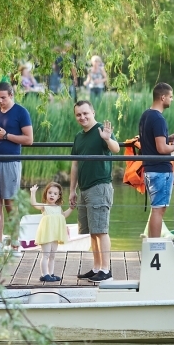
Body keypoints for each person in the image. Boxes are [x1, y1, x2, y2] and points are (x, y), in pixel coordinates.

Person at [69, 100, 119, 282]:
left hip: (100, 186)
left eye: (85, 113)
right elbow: (75, 164)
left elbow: (116, 148)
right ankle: (97, 266)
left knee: (101, 230)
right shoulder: (78, 137)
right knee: (92, 231)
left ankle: (106, 270)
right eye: (78, 114)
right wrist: (72, 190)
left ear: (93, 112)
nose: (82, 117)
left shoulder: (101, 131)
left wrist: (107, 138)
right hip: (84, 188)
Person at [0, 81, 34, 256]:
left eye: (3, 97)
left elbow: (29, 140)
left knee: (11, 204)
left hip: (11, 163)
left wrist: (7, 136)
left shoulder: (21, 112)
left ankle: (14, 246)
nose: (0, 101)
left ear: (11, 95)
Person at [138, 83, 174, 238]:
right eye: (170, 96)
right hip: (160, 170)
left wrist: (167, 138)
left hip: (149, 169)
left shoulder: (146, 115)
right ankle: (154, 247)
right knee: (158, 210)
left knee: (155, 208)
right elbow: (162, 149)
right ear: (163, 97)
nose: (172, 99)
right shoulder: (159, 119)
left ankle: (152, 245)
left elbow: (151, 141)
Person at [30, 182, 73, 282]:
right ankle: (44, 274)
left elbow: (64, 215)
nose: (52, 195)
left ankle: (51, 273)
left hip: (55, 235)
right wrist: (33, 193)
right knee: (46, 254)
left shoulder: (58, 208)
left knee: (52, 255)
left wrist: (71, 208)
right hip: (46, 234)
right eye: (50, 193)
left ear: (58, 196)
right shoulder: (44, 206)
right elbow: (34, 204)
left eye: (55, 193)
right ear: (46, 194)